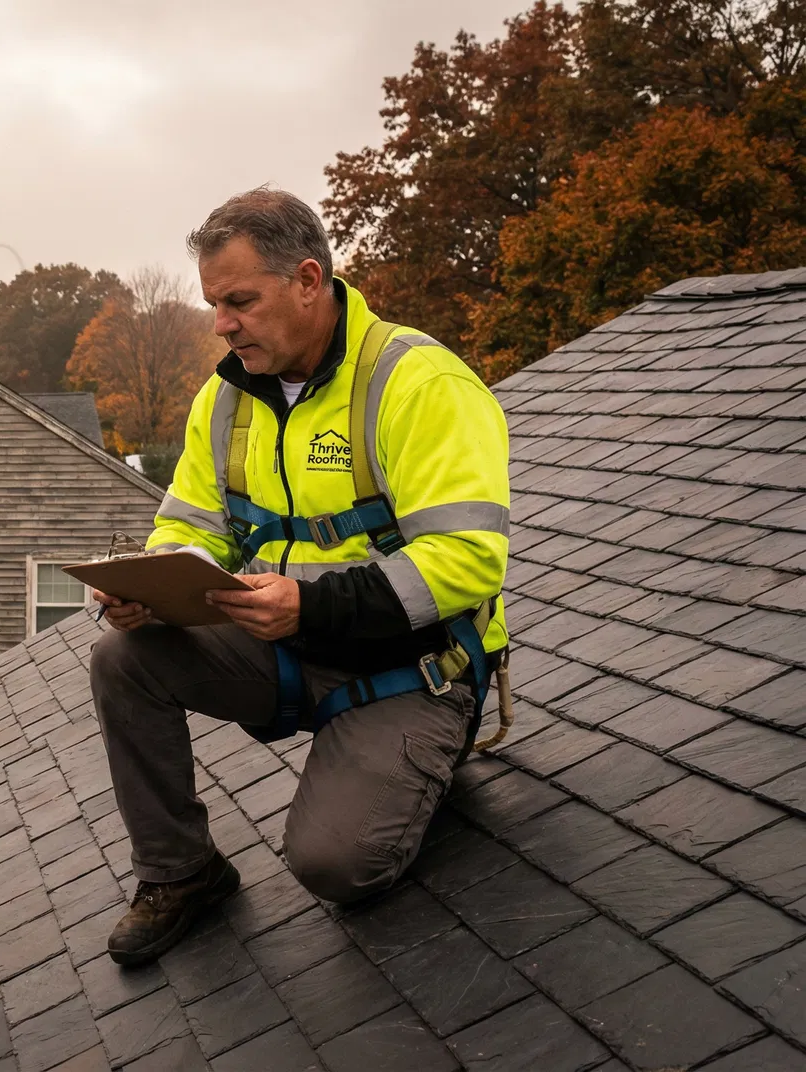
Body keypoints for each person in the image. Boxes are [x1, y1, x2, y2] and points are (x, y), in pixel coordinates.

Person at [93, 187, 510, 967]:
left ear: (309, 281)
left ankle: (424, 760)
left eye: (240, 300)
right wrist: (147, 587)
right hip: (283, 644)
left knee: (337, 868)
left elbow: (467, 562)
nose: (222, 323)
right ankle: (182, 874)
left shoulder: (419, 385)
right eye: (215, 303)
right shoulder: (224, 399)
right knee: (123, 659)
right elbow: (190, 525)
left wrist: (308, 607)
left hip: (411, 668)